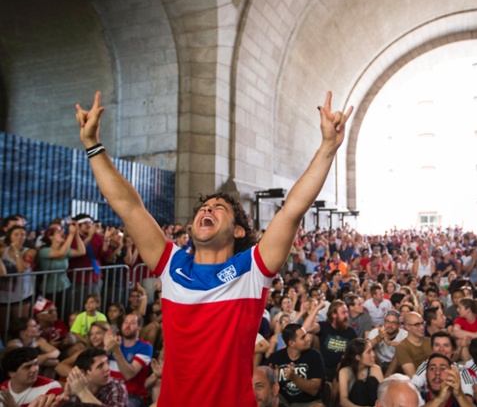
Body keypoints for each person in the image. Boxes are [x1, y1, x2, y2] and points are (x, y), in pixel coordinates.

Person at [75, 91, 352, 405]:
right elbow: (129, 207)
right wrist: (92, 145)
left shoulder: (252, 269)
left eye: (218, 207)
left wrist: (328, 146)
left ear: (237, 230)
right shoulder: (171, 263)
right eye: (203, 207)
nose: (206, 209)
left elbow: (292, 210)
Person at [266, 324, 325, 406]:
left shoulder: (315, 355)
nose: (308, 339)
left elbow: (314, 390)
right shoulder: (276, 358)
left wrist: (293, 377)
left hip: (308, 403)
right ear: (291, 343)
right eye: (303, 337)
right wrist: (273, 379)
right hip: (283, 402)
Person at [104, 313, 152, 407]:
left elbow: (128, 374)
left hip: (131, 395)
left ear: (139, 327)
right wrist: (105, 348)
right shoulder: (113, 341)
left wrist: (115, 350)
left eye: (132, 323)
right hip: (108, 391)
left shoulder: (145, 347)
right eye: (125, 322)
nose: (127, 326)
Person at [303, 300, 357, 382]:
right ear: (334, 315)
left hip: (342, 370)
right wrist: (317, 308)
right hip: (325, 369)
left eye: (347, 312)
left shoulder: (350, 332)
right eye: (343, 312)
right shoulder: (324, 326)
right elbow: (305, 329)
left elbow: (357, 349)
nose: (347, 315)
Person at [64, 348, 129, 407]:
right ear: (83, 373)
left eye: (107, 363)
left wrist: (82, 391)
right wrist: (65, 397)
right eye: (100, 366)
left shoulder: (117, 387)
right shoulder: (77, 387)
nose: (108, 368)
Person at [393, 312, 432, 378]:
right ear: (407, 327)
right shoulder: (402, 347)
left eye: (422, 323)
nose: (422, 327)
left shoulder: (430, 341)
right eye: (417, 325)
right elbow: (413, 377)